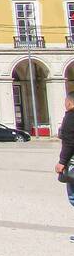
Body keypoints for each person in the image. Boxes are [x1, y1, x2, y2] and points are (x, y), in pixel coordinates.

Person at [55, 94, 74, 239]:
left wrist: (61, 162)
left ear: (69, 103)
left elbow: (69, 142)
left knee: (73, 197)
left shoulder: (70, 117)